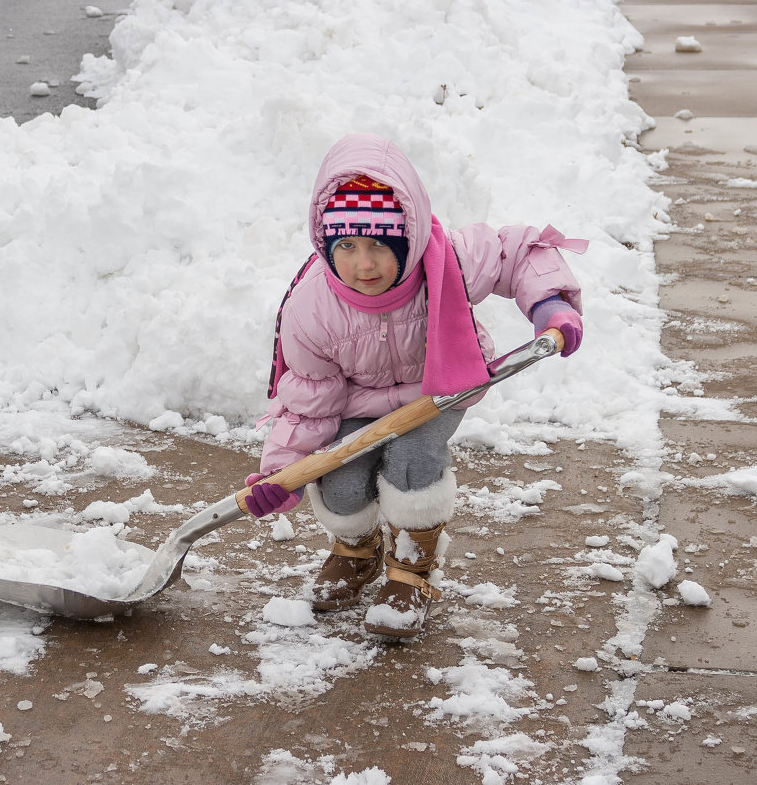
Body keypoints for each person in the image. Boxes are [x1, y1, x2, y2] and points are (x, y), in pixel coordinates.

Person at [245, 133, 586, 639]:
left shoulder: (445, 261)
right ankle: (357, 553)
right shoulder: (311, 309)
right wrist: (282, 473)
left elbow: (515, 251)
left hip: (438, 388)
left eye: (381, 245)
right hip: (357, 402)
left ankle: (411, 570)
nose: (365, 265)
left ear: (408, 238)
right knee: (339, 483)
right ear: (324, 244)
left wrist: (549, 304)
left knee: (412, 461)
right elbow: (308, 405)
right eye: (348, 247)